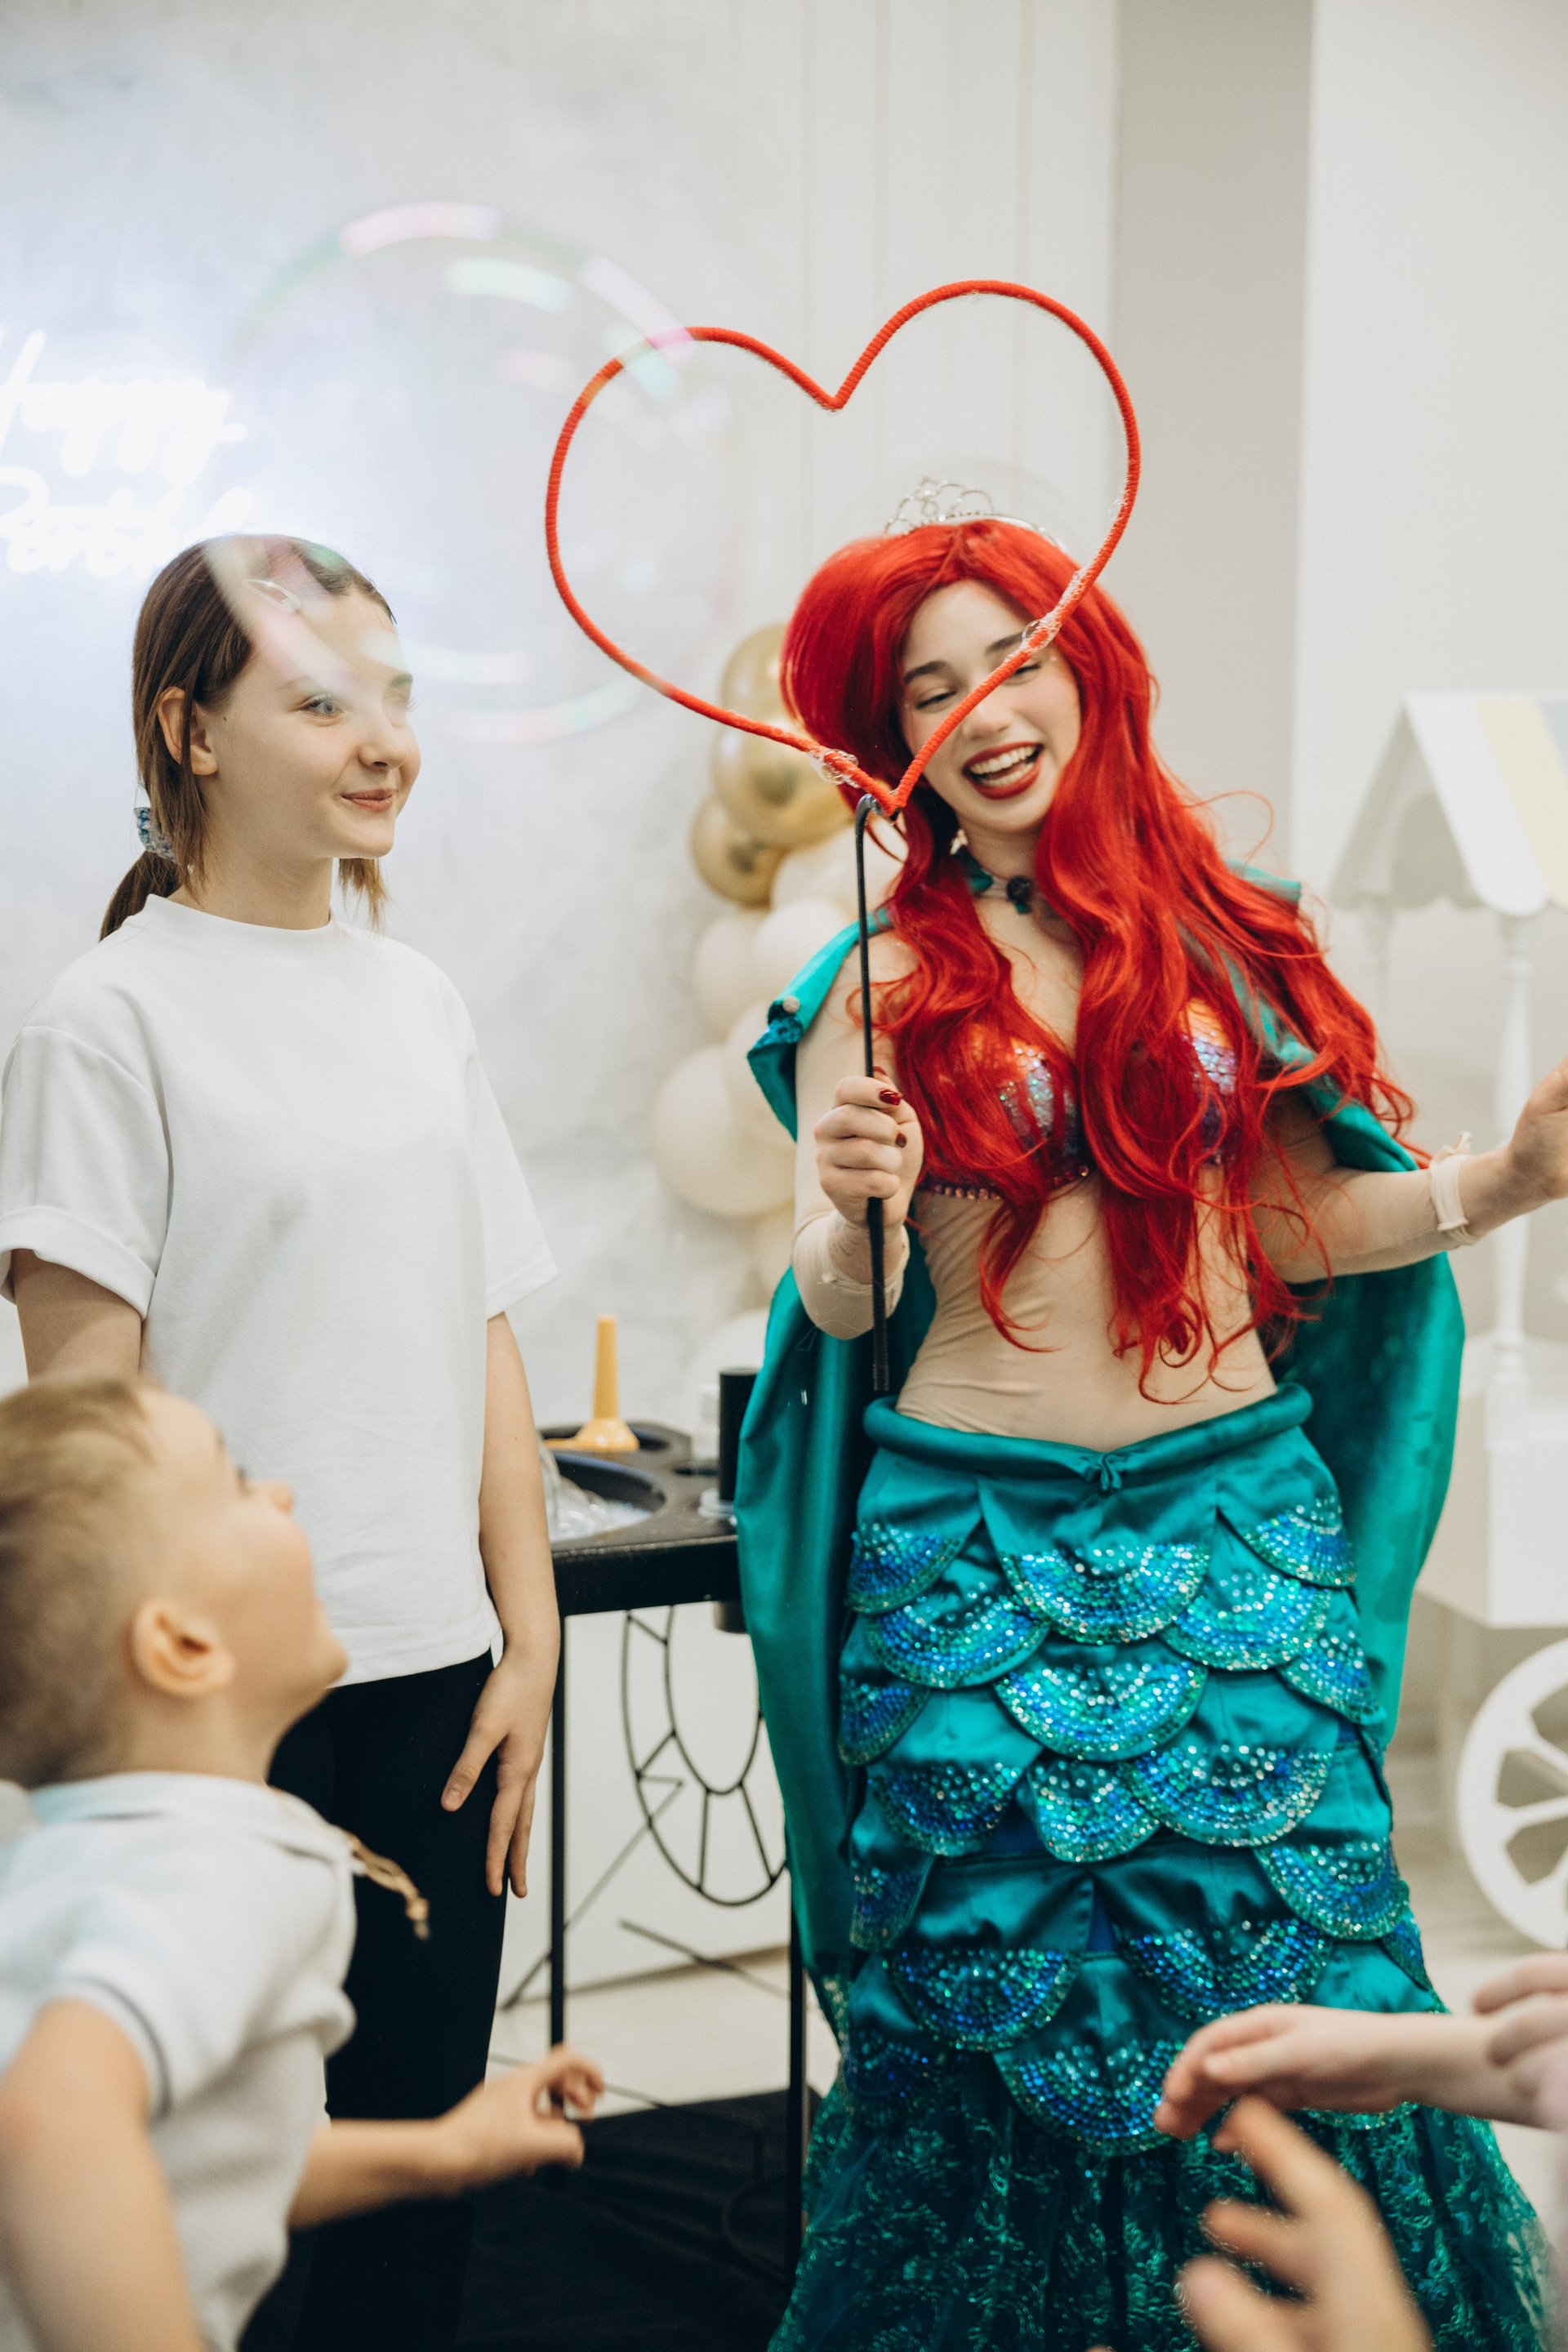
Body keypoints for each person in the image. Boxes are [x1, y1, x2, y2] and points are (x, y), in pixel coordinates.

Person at [735, 508, 1561, 2348]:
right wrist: (851, 1207)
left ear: (1084, 667)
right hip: (969, 1567)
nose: (985, 713)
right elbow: (852, 1307)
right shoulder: (868, 985)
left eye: (1012, 661)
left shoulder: (1220, 940)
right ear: (889, 742)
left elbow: (1290, 1222)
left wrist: (1503, 1181)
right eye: (929, 690)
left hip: (1235, 1541)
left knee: (1308, 1972)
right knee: (977, 2012)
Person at [0, 537, 560, 2351]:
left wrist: (529, 1635)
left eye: (395, 697)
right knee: (197, 2188)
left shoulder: (419, 1000)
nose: (381, 741)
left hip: (433, 1680)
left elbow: (483, 1324)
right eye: (321, 702)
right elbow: (85, 1446)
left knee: (414, 2198)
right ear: (193, 731)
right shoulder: (109, 1022)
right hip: (210, 1712)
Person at [0, 1370, 601, 2352]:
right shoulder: (201, 1874)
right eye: (238, 1485)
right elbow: (48, 2118)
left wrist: (439, 2152)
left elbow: (195, 2174)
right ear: (184, 1644)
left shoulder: (68, 1862)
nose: (279, 1491)